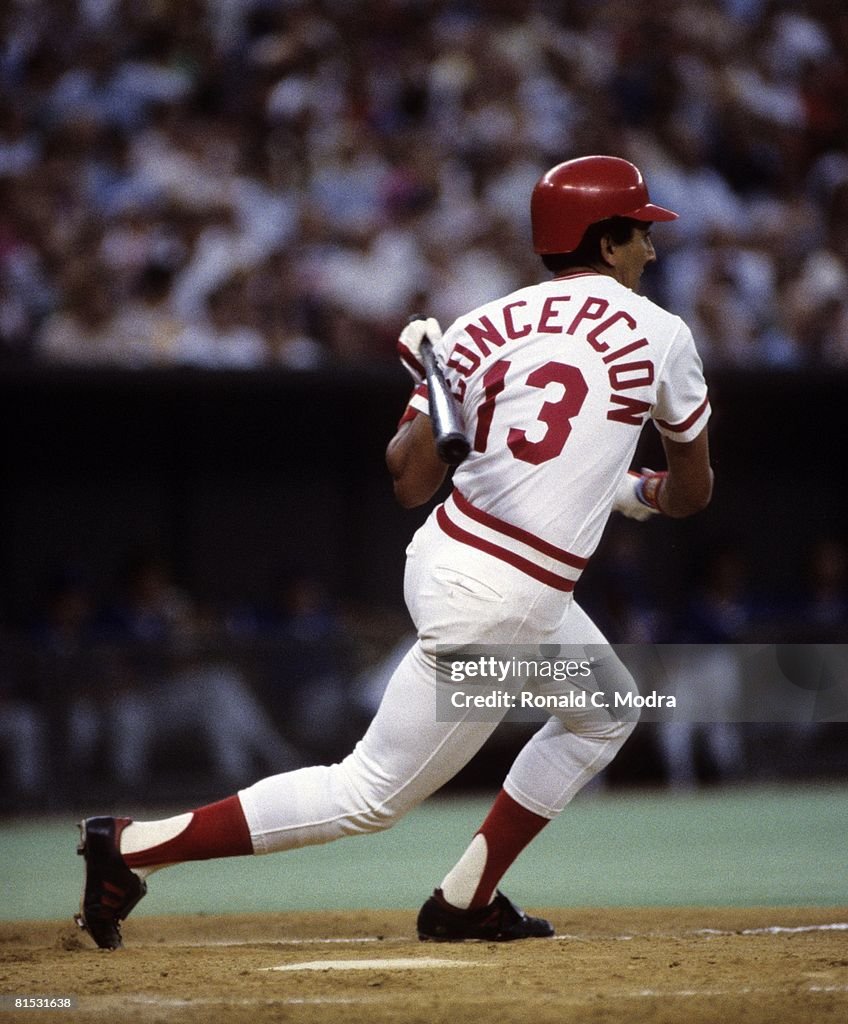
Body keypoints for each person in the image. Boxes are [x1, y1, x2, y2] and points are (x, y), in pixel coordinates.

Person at [75, 155, 713, 949]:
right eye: (641, 233)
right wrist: (644, 493)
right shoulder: (663, 332)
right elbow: (693, 493)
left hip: (455, 558)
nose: (651, 250)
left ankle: (467, 897)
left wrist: (435, 388)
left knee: (605, 709)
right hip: (503, 599)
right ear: (608, 239)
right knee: (369, 794)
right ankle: (128, 847)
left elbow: (409, 479)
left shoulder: (481, 324)